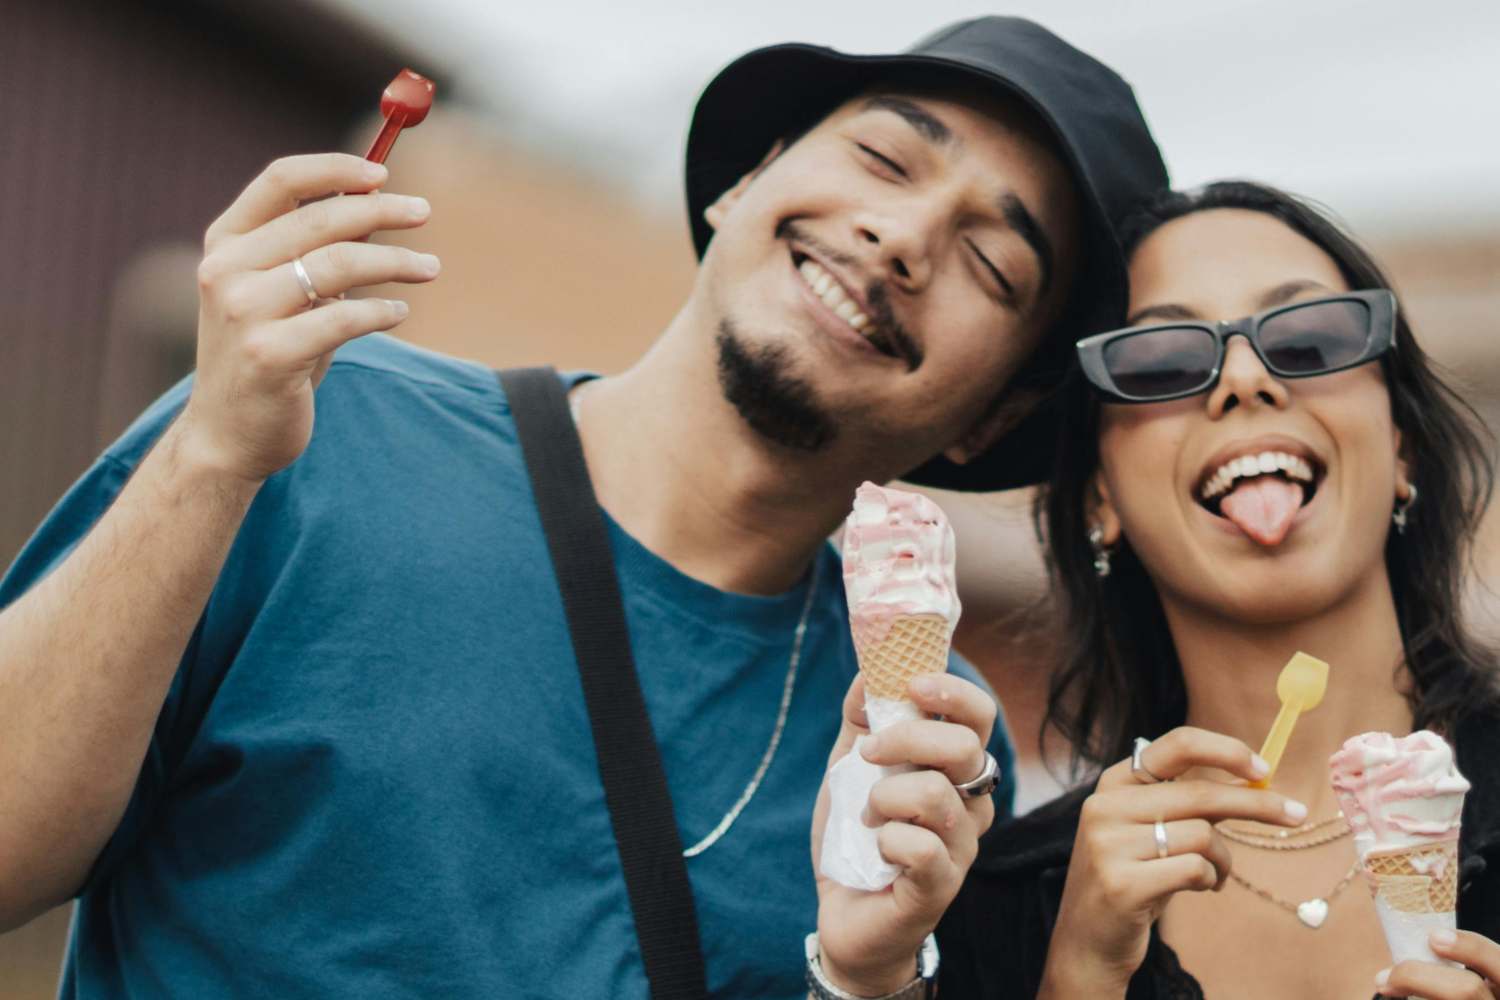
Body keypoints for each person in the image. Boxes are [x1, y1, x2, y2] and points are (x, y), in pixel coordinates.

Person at [0, 18, 1167, 999]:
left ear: (992, 420)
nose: (903, 238)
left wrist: (868, 980)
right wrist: (210, 454)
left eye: (994, 265)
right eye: (884, 158)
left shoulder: (927, 741)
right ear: (750, 176)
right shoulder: (311, 429)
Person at [927, 181, 1500, 999]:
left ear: (1401, 448)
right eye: (1161, 360)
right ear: (1100, 499)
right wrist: (1080, 976)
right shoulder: (997, 907)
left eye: (1310, 337)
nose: (1242, 378)